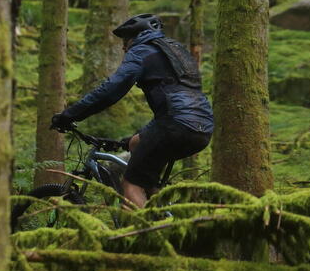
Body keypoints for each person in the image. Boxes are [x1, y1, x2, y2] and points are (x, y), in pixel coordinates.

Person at [51, 13, 213, 208]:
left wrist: (70, 115)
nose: (123, 46)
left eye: (125, 40)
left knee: (132, 184)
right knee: (136, 146)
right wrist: (128, 141)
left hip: (174, 123)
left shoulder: (141, 50)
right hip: (202, 127)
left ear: (136, 37)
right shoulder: (177, 51)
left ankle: (147, 234)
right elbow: (177, 100)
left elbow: (112, 89)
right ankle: (163, 215)